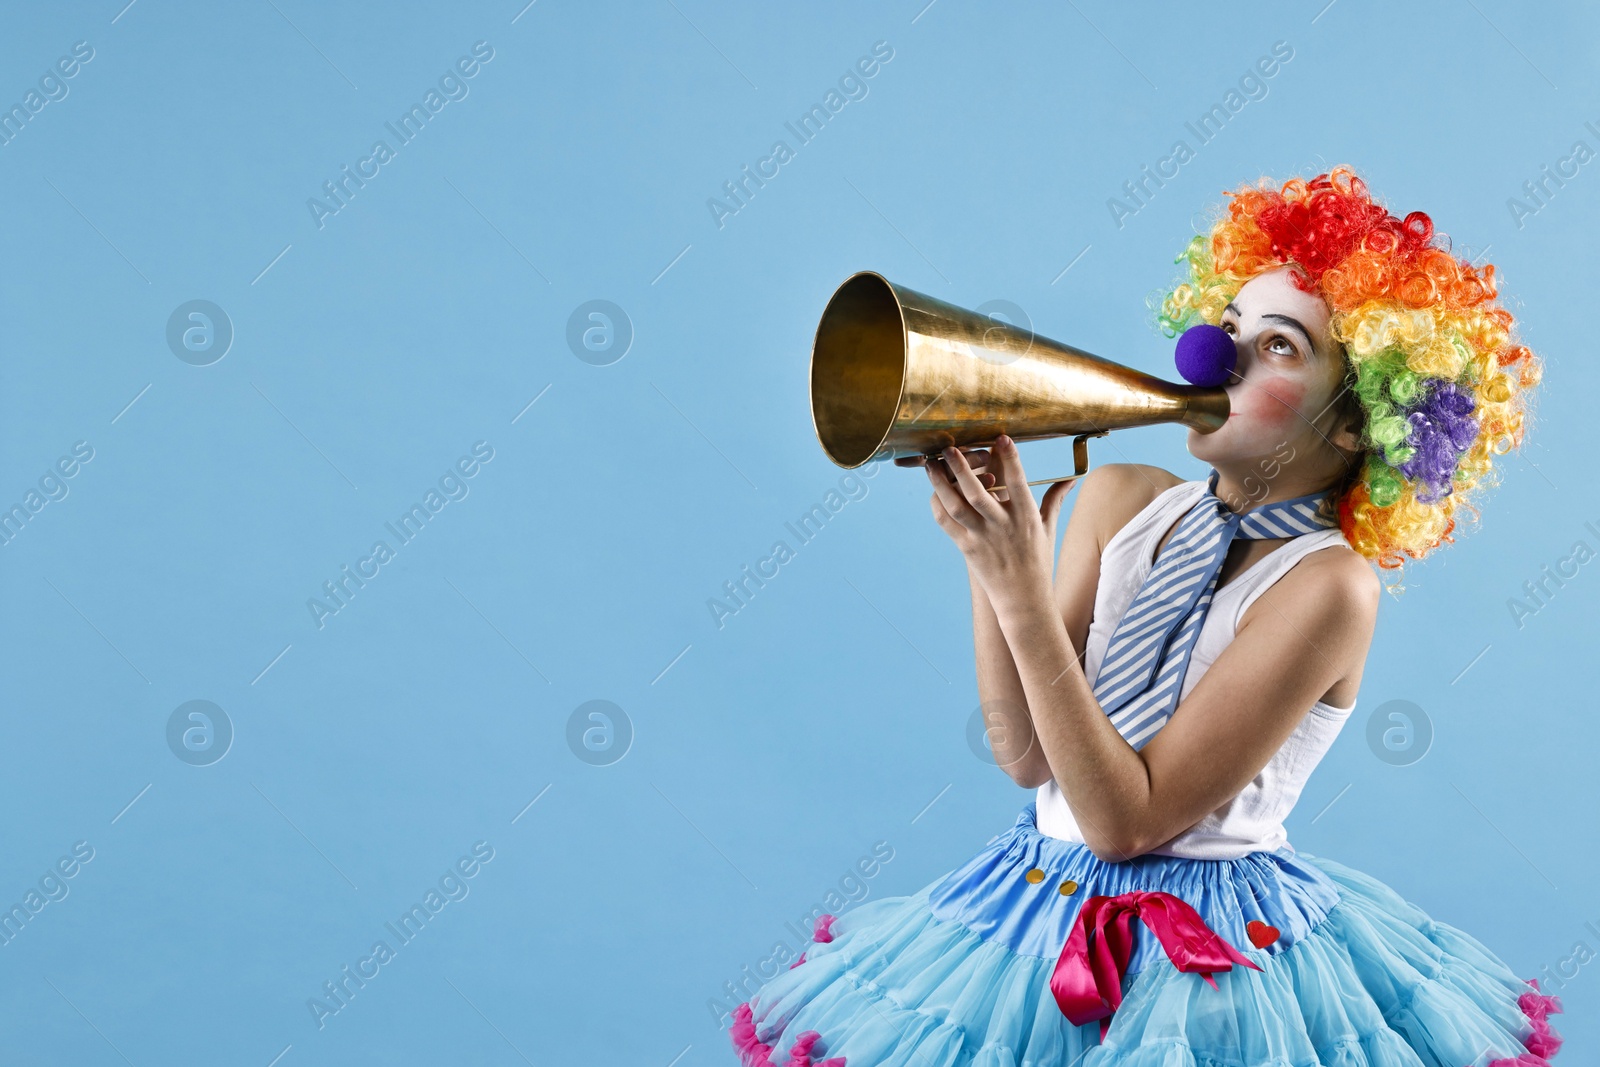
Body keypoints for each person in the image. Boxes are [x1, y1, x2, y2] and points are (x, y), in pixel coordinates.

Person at [727, 167, 1559, 1067]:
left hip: (1208, 960)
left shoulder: (1328, 587)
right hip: (1030, 908)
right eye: (1228, 326)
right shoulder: (1122, 498)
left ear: (1362, 421)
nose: (1217, 357)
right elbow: (1025, 755)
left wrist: (1022, 591)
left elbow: (1128, 822)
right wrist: (986, 559)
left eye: (1279, 346)